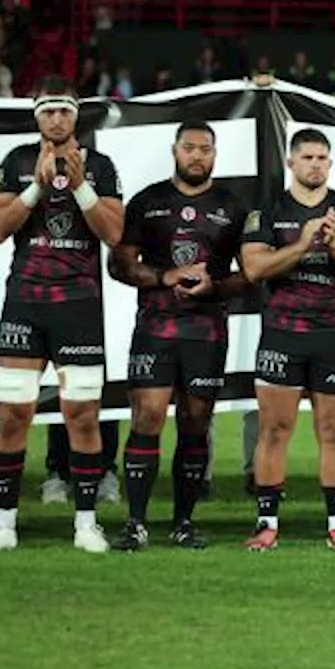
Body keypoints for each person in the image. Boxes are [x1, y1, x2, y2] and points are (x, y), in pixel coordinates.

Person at [0, 78, 124, 555]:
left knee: (82, 416)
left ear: (76, 116)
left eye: (64, 111)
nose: (56, 119)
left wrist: (80, 186)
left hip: (78, 306)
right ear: (37, 117)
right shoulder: (17, 162)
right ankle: (4, 524)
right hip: (24, 302)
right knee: (13, 414)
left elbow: (115, 234)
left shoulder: (98, 166)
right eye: (48, 111)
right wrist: (35, 191)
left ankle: (85, 524)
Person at [107, 121, 250, 550]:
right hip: (155, 328)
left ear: (215, 155)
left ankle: (184, 522)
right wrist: (163, 275)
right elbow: (119, 265)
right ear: (174, 150)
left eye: (204, 149)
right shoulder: (148, 201)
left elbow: (252, 274)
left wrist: (216, 287)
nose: (196, 156)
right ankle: (135, 523)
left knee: (195, 423)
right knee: (147, 419)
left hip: (206, 331)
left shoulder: (232, 207)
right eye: (189, 148)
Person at [240, 128, 335, 551]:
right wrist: (303, 244)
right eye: (308, 158)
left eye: (323, 158)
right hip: (282, 333)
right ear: (291, 163)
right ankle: (267, 524)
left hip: (333, 335)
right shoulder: (268, 210)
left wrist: (332, 241)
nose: (316, 165)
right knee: (274, 429)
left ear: (330, 165)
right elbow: (254, 269)